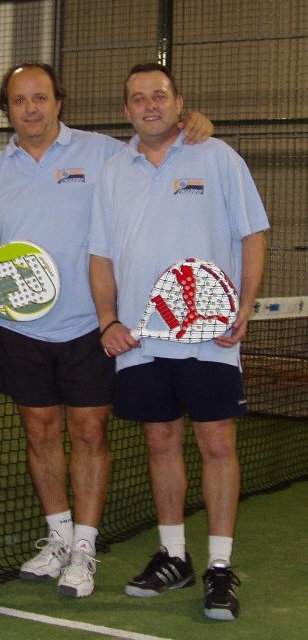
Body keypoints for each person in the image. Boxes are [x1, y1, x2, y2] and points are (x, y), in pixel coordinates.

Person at [0, 62, 212, 598]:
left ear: (58, 102)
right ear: (8, 111)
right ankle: (57, 537)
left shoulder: (105, 152)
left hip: (91, 326)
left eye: (40, 98)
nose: (31, 109)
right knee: (39, 431)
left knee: (89, 433)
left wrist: (191, 126)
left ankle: (85, 547)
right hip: (21, 329)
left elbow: (158, 147)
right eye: (19, 101)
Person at [88, 63, 268, 620]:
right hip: (140, 342)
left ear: (178, 102)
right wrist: (107, 319)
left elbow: (253, 233)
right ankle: (173, 556)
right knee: (159, 441)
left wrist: (243, 304)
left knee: (217, 443)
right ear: (126, 110)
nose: (150, 105)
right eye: (138, 98)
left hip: (210, 336)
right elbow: (101, 255)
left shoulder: (218, 158)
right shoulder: (114, 171)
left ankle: (218, 566)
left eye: (159, 96)